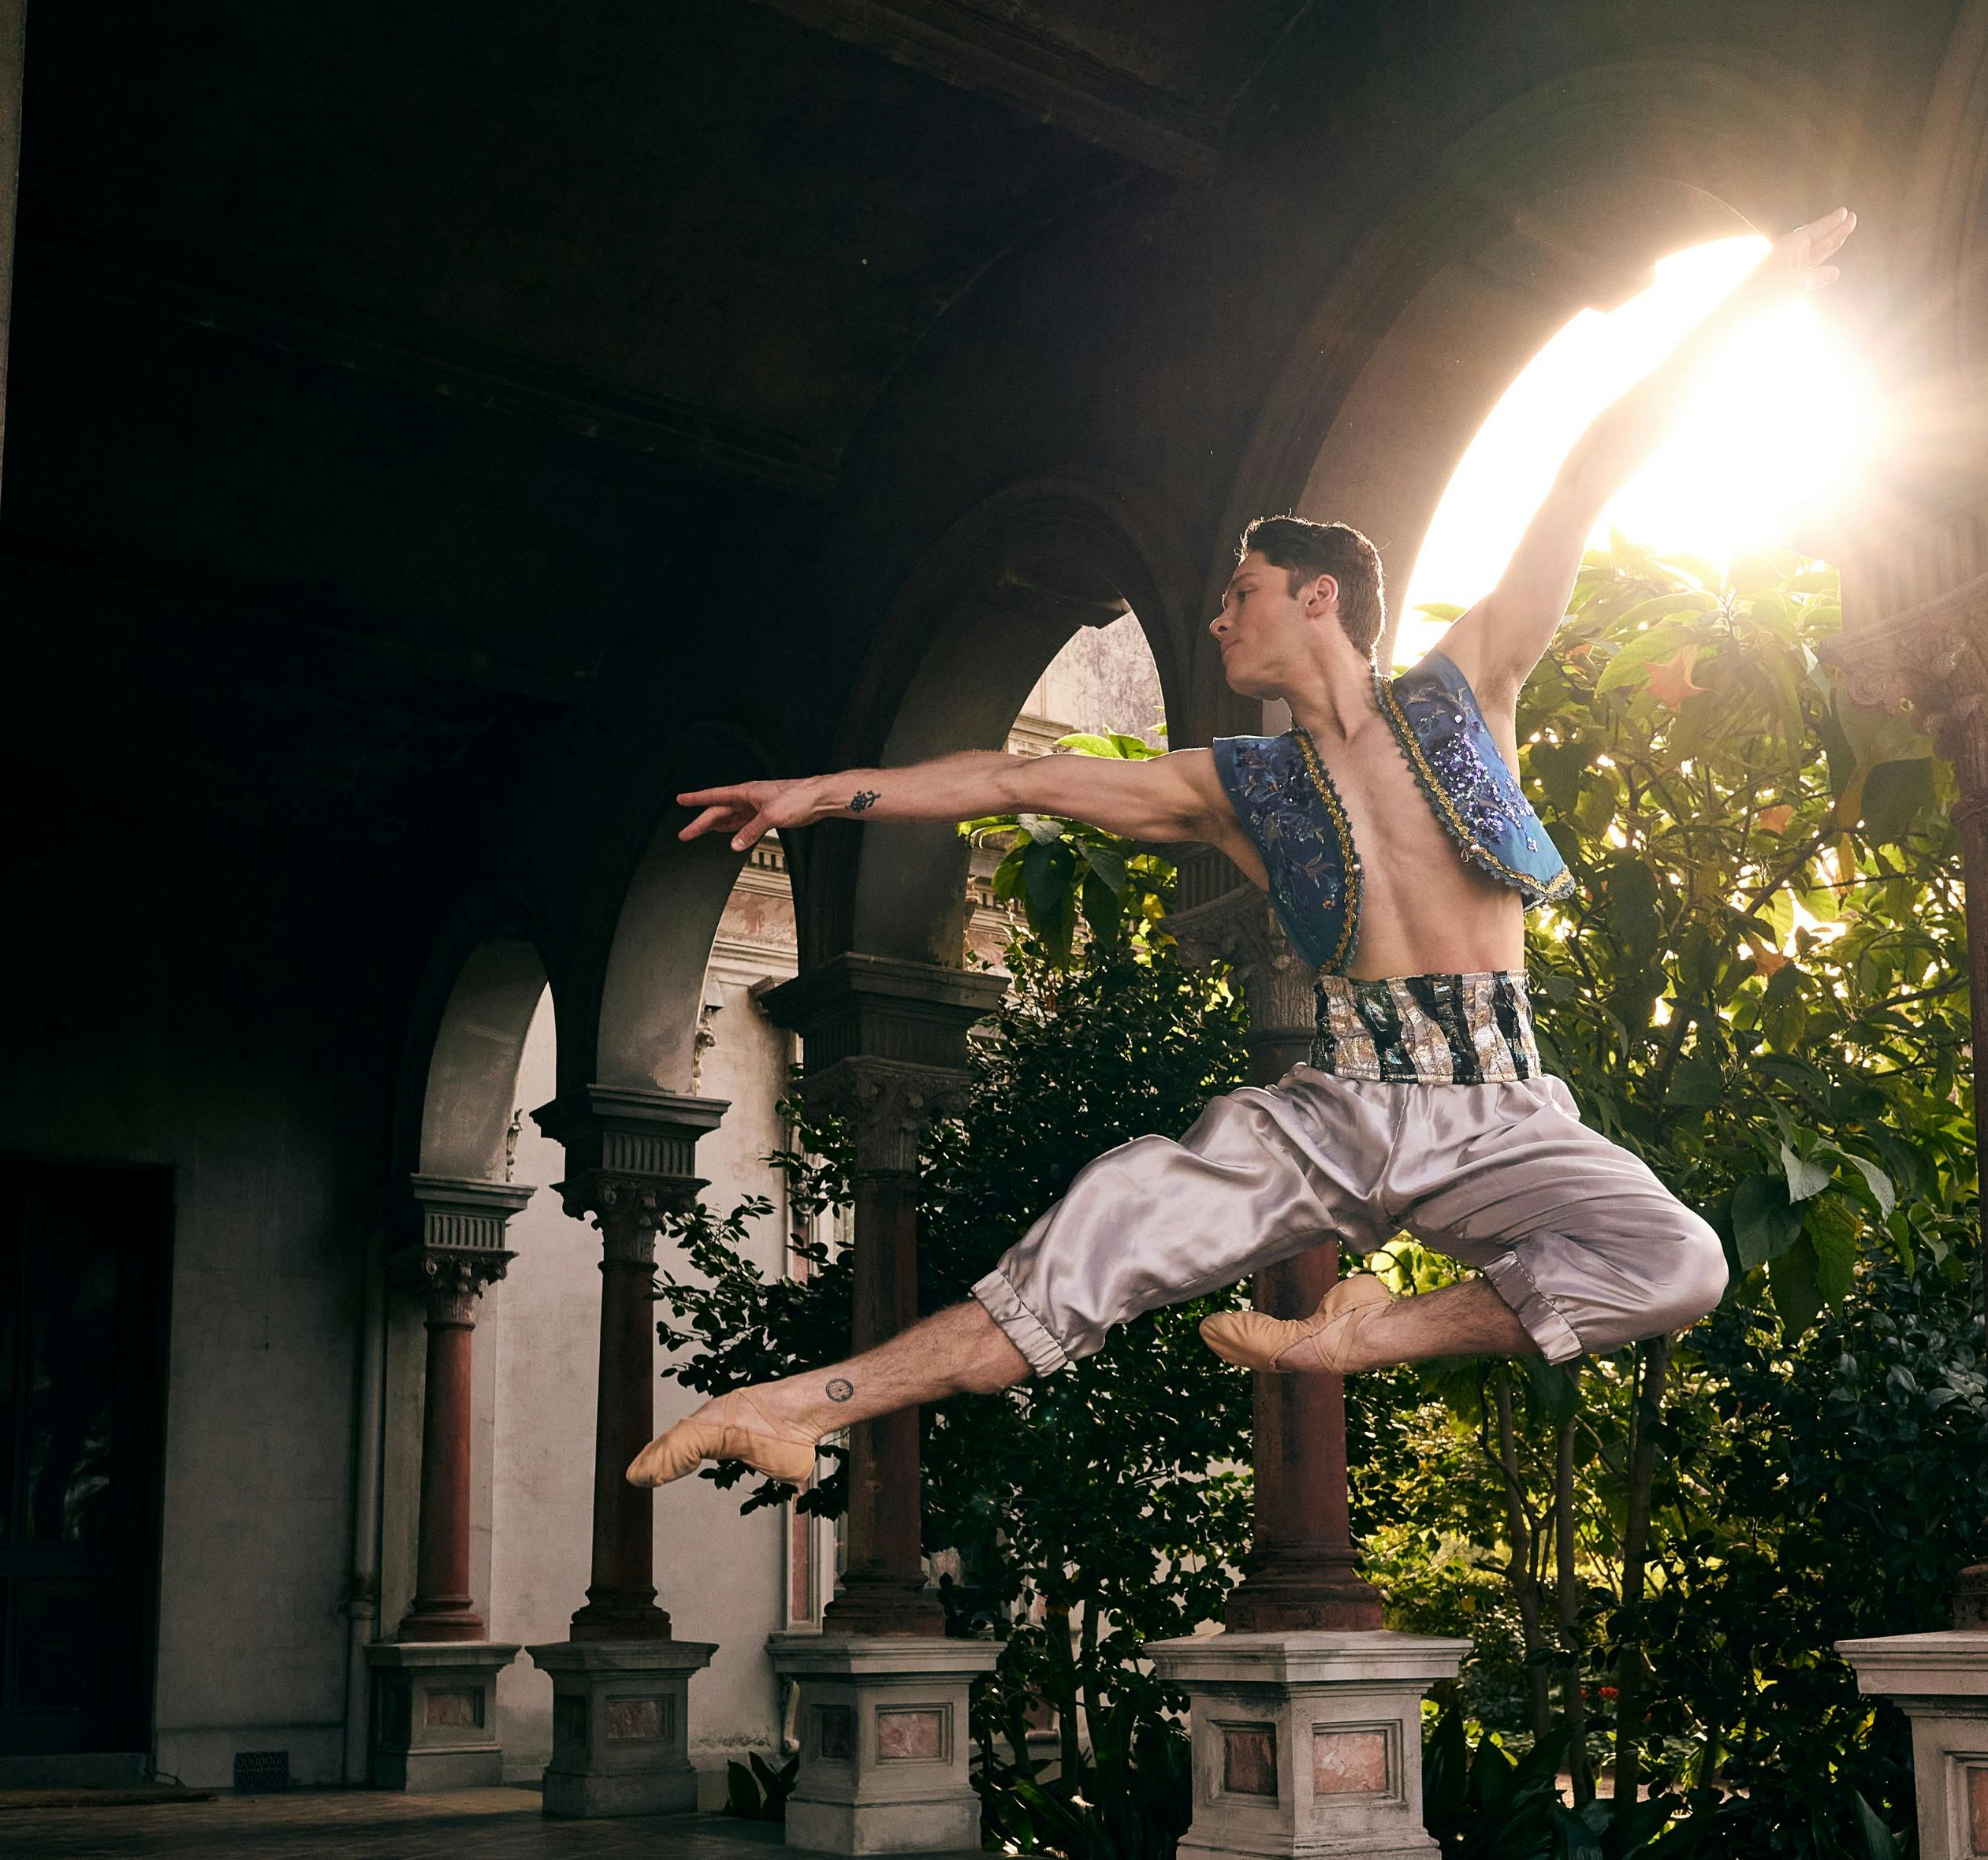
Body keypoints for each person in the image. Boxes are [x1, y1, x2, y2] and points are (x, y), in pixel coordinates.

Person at [627, 207, 1856, 1491]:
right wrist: (818, 792)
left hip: (1499, 1106)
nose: (1217, 620)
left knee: (1679, 1263)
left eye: (1240, 594)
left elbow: (1586, 468)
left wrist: (1750, 303)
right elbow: (1007, 776)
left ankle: (1361, 1335)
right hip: (1337, 1111)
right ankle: (795, 1407)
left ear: (1317, 597)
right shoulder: (1236, 785)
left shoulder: (1466, 686)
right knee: (1090, 1239)